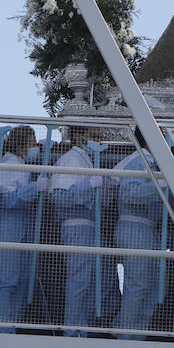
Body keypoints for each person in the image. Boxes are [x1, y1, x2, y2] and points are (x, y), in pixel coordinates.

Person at [112, 129, 172, 339]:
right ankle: (126, 334)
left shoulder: (151, 162)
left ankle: (137, 334)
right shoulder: (139, 160)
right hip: (135, 227)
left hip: (148, 230)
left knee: (150, 287)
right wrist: (159, 186)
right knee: (137, 285)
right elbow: (131, 194)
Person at [52, 123, 110, 336]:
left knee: (95, 281)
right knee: (79, 280)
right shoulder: (71, 159)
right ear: (78, 137)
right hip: (76, 226)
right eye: (93, 135)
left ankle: (83, 329)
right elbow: (59, 197)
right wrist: (88, 186)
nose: (97, 140)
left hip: (92, 227)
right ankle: (72, 330)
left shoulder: (89, 160)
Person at [0, 125, 45, 333]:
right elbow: (4, 200)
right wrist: (33, 189)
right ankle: (1, 330)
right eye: (32, 142)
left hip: (19, 232)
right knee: (6, 281)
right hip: (5, 231)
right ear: (22, 144)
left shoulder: (21, 165)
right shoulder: (9, 165)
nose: (35, 146)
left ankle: (12, 327)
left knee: (20, 280)